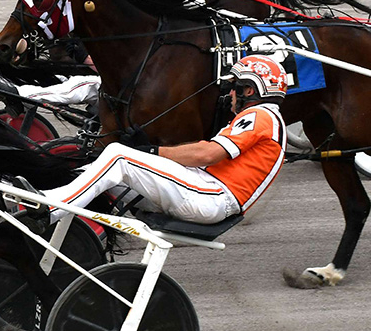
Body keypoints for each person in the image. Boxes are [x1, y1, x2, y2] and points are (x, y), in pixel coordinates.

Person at [20, 55, 288, 228]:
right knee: (111, 169)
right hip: (205, 192)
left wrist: (148, 151)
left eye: (235, 88)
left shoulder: (260, 115)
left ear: (250, 90)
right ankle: (47, 190)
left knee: (117, 155)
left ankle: (50, 208)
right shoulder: (264, 119)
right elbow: (198, 155)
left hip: (211, 197)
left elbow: (206, 154)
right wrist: (147, 151)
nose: (230, 94)